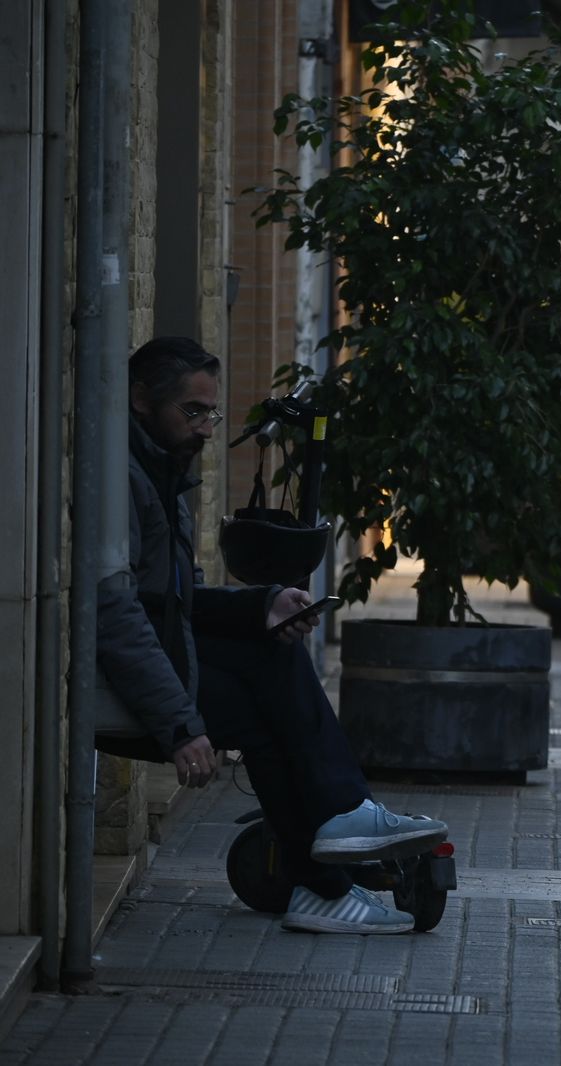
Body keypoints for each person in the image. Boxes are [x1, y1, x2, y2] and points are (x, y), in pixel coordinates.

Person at [98, 336, 448, 933]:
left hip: (160, 657)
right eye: (192, 411)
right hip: (114, 679)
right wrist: (182, 726)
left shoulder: (162, 477)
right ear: (139, 399)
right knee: (268, 699)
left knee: (274, 652)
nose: (208, 429)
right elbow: (117, 616)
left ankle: (333, 862)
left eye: (211, 413)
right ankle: (334, 850)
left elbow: (177, 603)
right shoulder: (119, 483)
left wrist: (262, 605)